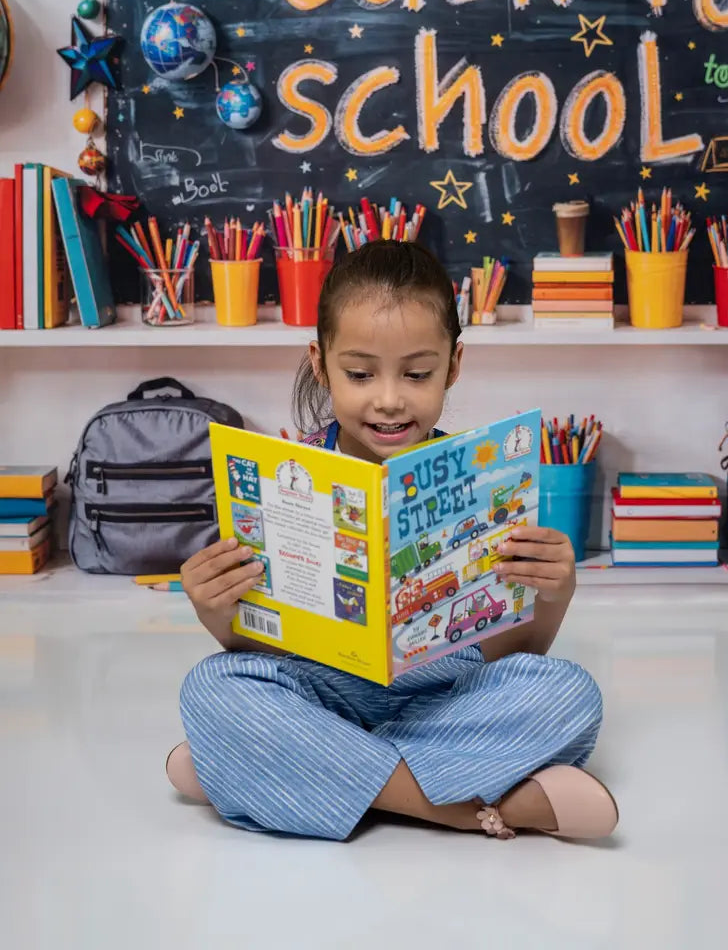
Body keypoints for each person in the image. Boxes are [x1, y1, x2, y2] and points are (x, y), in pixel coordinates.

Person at [168, 241, 617, 842]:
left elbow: (514, 657)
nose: (388, 399)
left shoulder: (486, 481)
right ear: (320, 363)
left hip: (445, 694)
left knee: (568, 693)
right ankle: (464, 808)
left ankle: (278, 773)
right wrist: (215, 611)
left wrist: (554, 594)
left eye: (417, 373)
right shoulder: (283, 478)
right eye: (359, 374)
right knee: (213, 687)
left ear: (453, 366)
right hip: (322, 690)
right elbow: (256, 644)